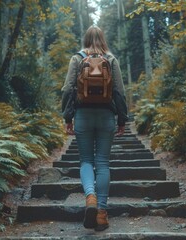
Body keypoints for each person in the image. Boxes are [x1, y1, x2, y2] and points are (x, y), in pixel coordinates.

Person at [61, 25, 128, 231]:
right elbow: (119, 91)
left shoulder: (77, 58)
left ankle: (90, 196)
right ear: (102, 38)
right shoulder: (111, 59)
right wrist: (122, 119)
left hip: (83, 115)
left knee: (86, 161)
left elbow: (67, 89)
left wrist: (67, 117)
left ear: (86, 38)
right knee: (103, 163)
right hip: (107, 115)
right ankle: (101, 213)